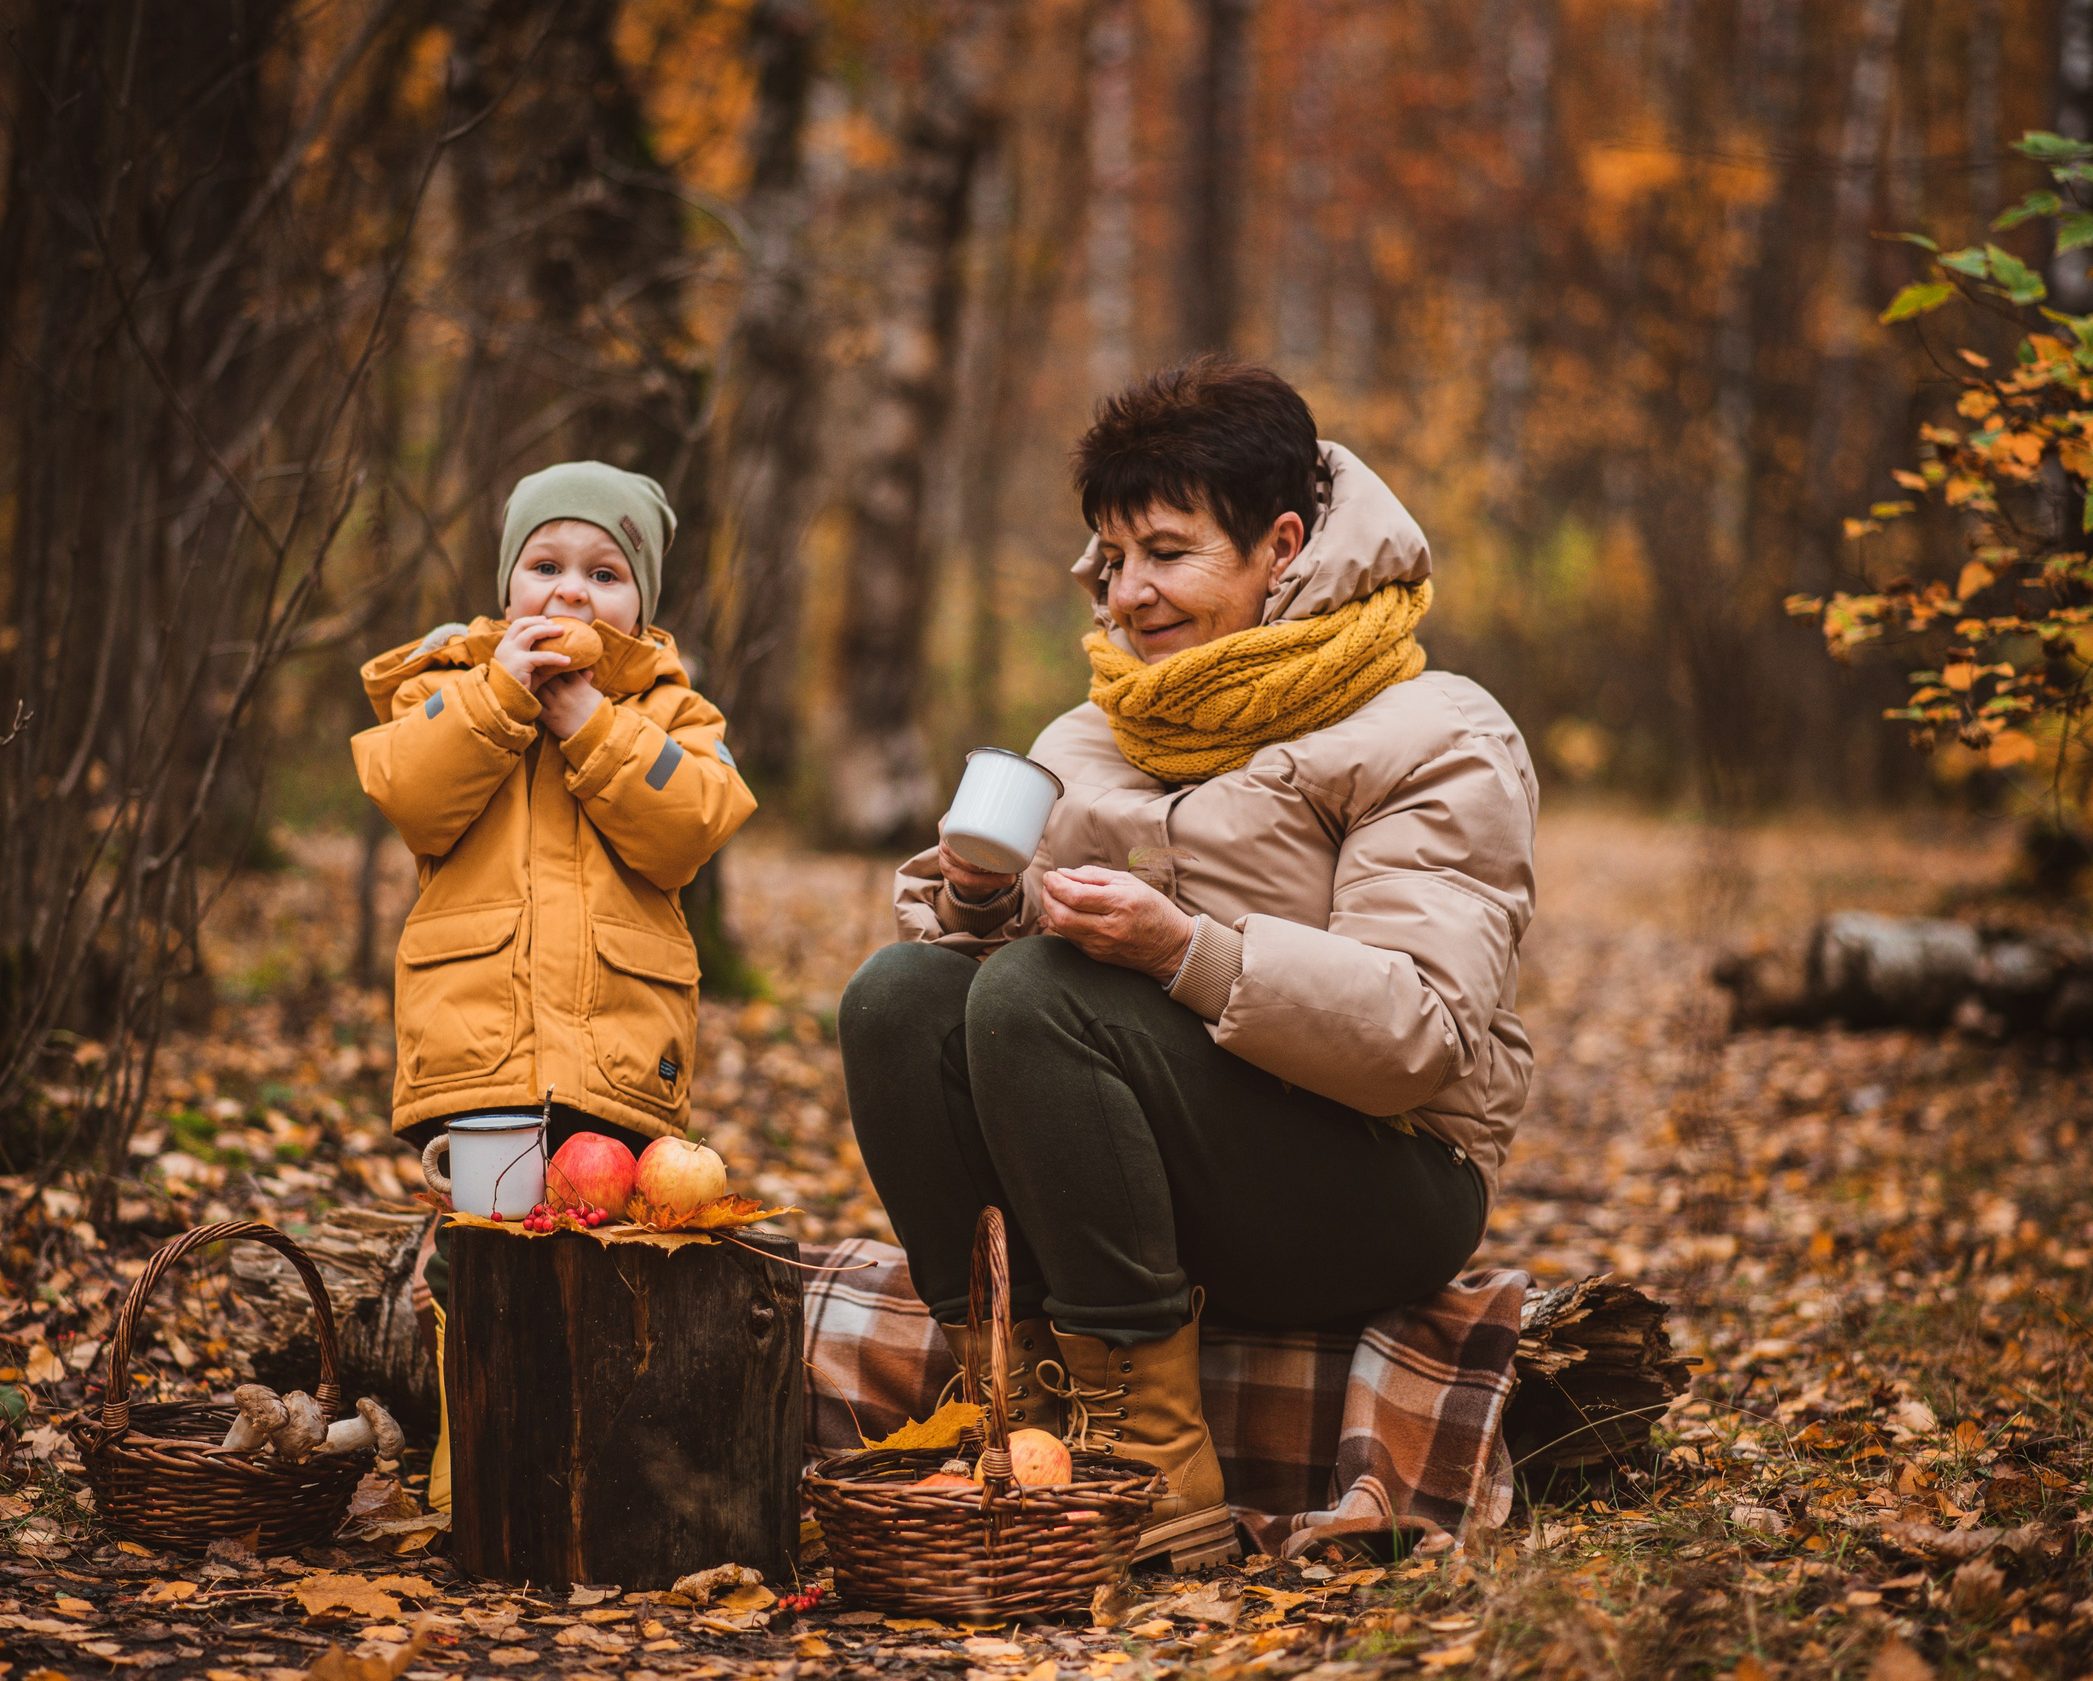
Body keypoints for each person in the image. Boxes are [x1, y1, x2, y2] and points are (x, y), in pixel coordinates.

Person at [840, 360, 1537, 1568]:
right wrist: (977, 894)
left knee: (1043, 997)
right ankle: (1009, 1403)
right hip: (1156, 1176)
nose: (1128, 594)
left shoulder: (1435, 732)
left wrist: (1183, 951)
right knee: (897, 997)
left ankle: (1154, 1466)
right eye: (1112, 559)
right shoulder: (1095, 729)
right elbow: (987, 993)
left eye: (1166, 552)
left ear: (1282, 543)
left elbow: (1418, 1032)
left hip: (1377, 1180)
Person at [353, 461, 756, 1160]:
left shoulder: (672, 711)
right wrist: (499, 697)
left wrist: (594, 725)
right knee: (480, 1232)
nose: (571, 589)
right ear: (509, 590)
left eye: (605, 575)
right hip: (474, 1045)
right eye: (545, 565)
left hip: (620, 1054)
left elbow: (690, 826)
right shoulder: (448, 685)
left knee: (606, 1239)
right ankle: (440, 1270)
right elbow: (411, 792)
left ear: (642, 605)